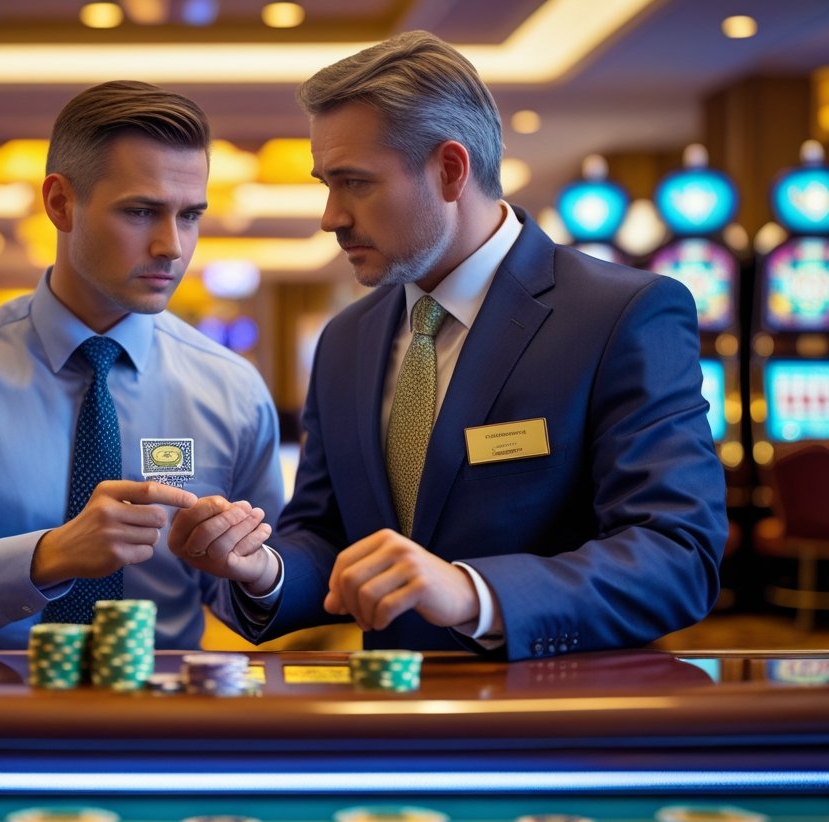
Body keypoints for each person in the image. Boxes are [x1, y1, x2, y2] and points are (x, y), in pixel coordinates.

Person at [169, 31, 726, 660]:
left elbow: (678, 555)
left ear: (451, 170)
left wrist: (473, 591)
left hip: (556, 721)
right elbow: (328, 535)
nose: (330, 216)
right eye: (327, 184)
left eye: (354, 183)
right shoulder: (347, 339)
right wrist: (261, 568)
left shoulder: (622, 313)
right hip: (390, 718)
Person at [0, 81, 284, 650]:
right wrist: (47, 557)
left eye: (189, 216)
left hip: (165, 716)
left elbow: (267, 586)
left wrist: (256, 573)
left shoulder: (232, 387)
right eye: (141, 211)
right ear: (60, 203)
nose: (172, 247)